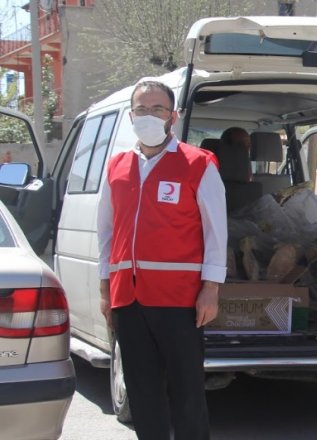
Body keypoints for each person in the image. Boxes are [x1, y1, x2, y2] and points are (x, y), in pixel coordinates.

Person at [97, 79, 227, 440]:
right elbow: (106, 233)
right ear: (130, 115)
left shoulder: (198, 164)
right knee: (142, 392)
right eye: (141, 109)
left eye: (157, 109)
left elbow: (216, 232)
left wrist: (211, 289)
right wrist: (105, 288)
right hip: (129, 298)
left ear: (174, 115)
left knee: (187, 391)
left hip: (180, 299)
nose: (149, 115)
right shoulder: (116, 167)